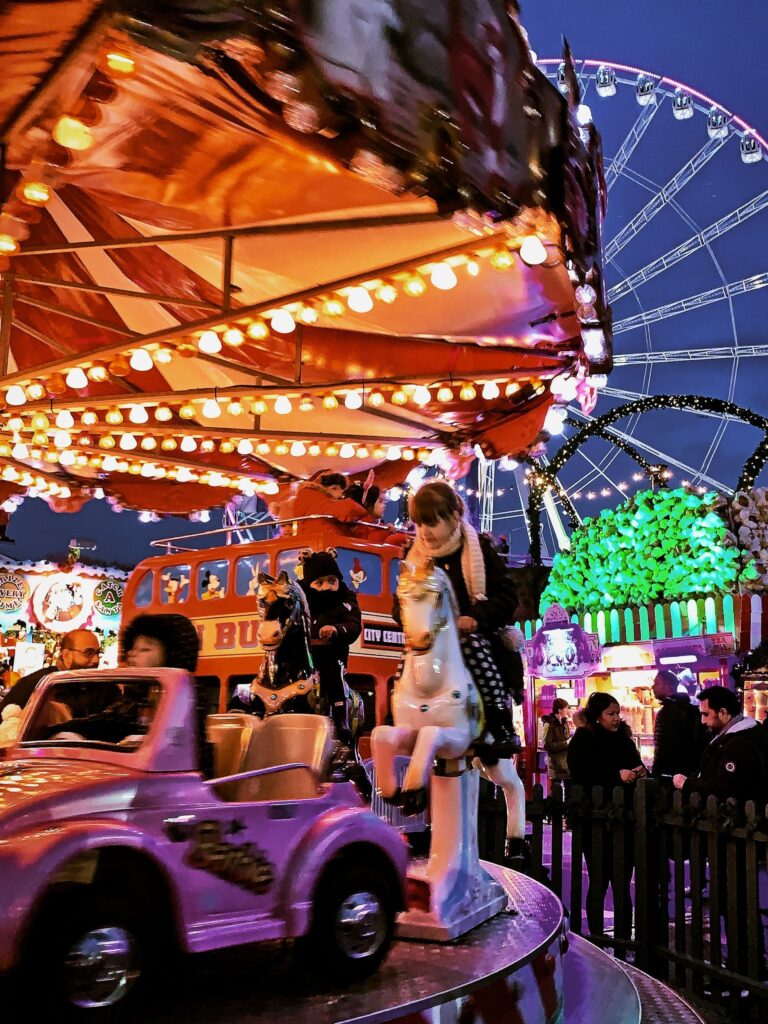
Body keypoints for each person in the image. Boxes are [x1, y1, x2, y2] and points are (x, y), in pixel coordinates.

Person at [394, 481, 519, 753]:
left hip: (472, 632)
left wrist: (476, 617)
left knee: (474, 649)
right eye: (419, 525)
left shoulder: (480, 550)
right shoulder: (412, 557)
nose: (424, 533)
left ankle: (499, 722)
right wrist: (409, 621)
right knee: (406, 662)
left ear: (453, 518)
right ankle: (398, 714)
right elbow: (402, 601)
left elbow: (507, 596)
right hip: (431, 636)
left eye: (432, 524)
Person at [567, 692, 646, 935]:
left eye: (617, 713)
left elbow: (634, 761)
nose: (615, 718)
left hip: (624, 819)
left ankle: (623, 936)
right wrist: (616, 776)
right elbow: (581, 774)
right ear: (597, 716)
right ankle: (597, 935)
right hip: (596, 822)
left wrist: (639, 770)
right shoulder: (583, 739)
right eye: (610, 714)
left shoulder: (623, 738)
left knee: (622, 883)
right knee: (599, 881)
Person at [298, 549, 362, 744]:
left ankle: (340, 719)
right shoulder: (301, 600)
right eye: (319, 582)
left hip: (332, 653)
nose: (326, 587)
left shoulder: (346, 600)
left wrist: (336, 630)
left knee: (333, 675)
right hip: (304, 655)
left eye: (332, 581)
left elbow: (353, 625)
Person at [673, 685, 768, 804]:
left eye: (706, 714)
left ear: (723, 713)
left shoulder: (740, 744)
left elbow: (725, 786)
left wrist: (687, 784)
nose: (702, 721)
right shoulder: (727, 737)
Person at [0, 629, 100, 714]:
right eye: (89, 653)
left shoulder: (103, 685)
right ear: (66, 656)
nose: (96, 660)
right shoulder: (34, 684)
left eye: (97, 653)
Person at [651, 669, 705, 779]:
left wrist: (656, 773)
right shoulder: (691, 709)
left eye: (657, 683)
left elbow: (662, 748)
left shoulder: (667, 712)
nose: (653, 687)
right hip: (691, 773)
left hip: (669, 775)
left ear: (669, 686)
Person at [542, 698, 571, 790]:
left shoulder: (564, 722)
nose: (567, 710)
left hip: (566, 763)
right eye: (566, 708)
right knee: (556, 789)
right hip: (555, 763)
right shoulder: (550, 724)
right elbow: (547, 745)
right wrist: (565, 743)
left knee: (569, 789)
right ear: (559, 710)